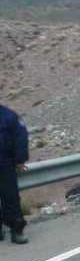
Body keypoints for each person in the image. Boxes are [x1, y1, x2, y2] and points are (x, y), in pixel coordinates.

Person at [0, 104, 29, 245]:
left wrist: (20, 160)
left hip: (5, 165)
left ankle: (17, 230)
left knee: (10, 198)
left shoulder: (9, 116)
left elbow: (21, 137)